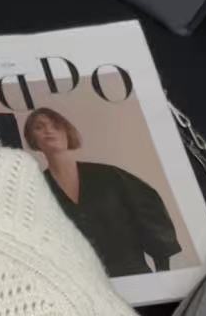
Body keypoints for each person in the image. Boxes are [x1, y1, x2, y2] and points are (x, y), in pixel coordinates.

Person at [24, 106, 181, 277]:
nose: (48, 130)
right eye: (39, 127)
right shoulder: (35, 190)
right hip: (82, 283)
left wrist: (162, 274)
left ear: (67, 132)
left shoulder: (110, 176)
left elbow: (152, 218)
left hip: (134, 276)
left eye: (55, 126)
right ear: (33, 139)